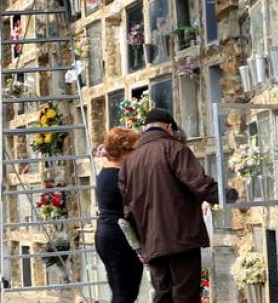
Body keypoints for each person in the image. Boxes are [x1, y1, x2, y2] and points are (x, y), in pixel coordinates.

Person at [120, 108, 236, 303]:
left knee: (161, 295)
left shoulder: (130, 161)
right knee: (185, 294)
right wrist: (230, 196)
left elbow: (127, 207)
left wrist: (140, 242)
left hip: (152, 241)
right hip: (181, 237)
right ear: (168, 127)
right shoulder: (174, 148)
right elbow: (198, 182)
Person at [95, 126, 144, 303]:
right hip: (120, 237)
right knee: (125, 294)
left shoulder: (105, 173)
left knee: (119, 292)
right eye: (135, 150)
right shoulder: (119, 175)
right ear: (124, 151)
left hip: (106, 235)